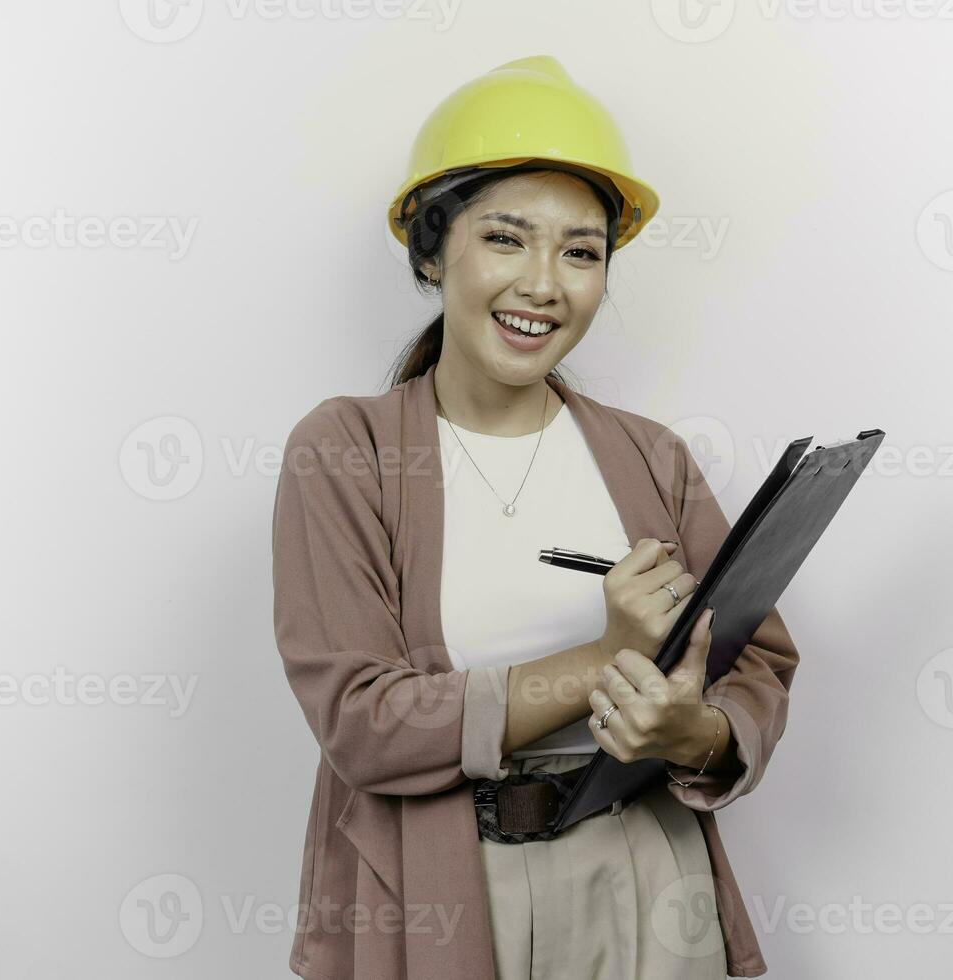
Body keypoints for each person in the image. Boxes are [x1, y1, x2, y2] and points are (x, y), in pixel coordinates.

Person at [272, 55, 800, 980]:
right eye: (506, 239)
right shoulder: (346, 450)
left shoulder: (651, 457)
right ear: (434, 253)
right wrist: (606, 658)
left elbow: (754, 661)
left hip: (646, 878)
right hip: (438, 886)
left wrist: (692, 734)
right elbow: (362, 722)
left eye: (582, 251)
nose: (544, 284)